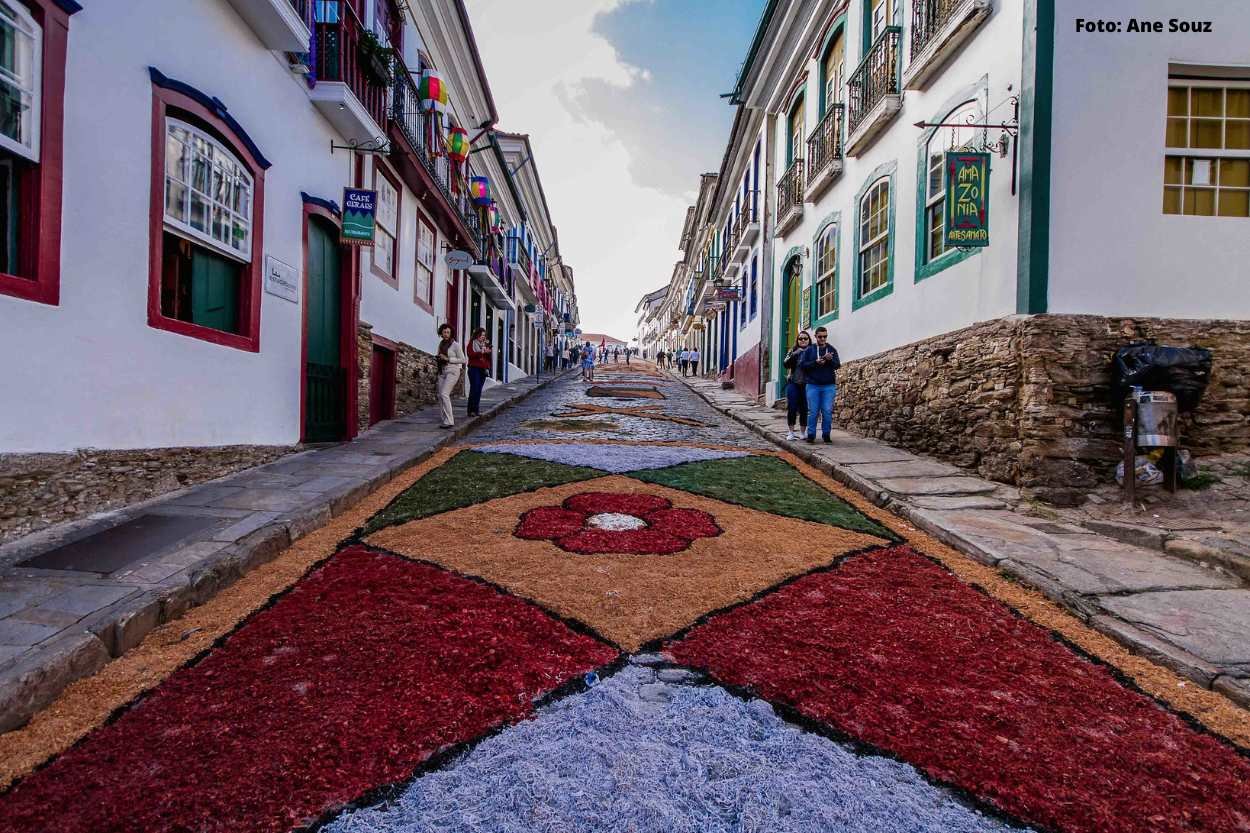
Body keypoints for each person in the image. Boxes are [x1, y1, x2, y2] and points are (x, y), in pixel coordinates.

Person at [800, 326, 841, 443]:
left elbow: (837, 365)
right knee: (813, 411)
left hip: (828, 385)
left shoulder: (831, 349)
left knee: (827, 411)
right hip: (813, 385)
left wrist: (829, 360)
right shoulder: (809, 350)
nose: (823, 339)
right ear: (816, 337)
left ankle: (826, 434)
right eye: (820, 337)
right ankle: (811, 435)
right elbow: (803, 366)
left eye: (825, 336)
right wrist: (815, 362)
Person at [436, 324, 467, 428]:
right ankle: (444, 419)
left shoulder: (455, 345)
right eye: (444, 332)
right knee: (440, 396)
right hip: (442, 371)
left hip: (453, 370)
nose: (446, 334)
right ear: (441, 333)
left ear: (451, 333)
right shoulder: (440, 344)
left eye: (448, 332)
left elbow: (463, 360)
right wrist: (439, 358)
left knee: (444, 393)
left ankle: (450, 421)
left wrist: (448, 359)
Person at [782, 331, 812, 441]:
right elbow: (785, 363)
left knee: (804, 408)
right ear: (797, 341)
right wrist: (795, 354)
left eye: (805, 338)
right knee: (792, 407)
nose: (803, 340)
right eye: (801, 339)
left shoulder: (812, 351)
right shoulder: (793, 351)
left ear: (809, 340)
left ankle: (803, 432)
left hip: (807, 384)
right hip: (793, 383)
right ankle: (791, 432)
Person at [465, 327, 491, 418]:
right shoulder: (472, 344)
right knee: (474, 389)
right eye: (481, 335)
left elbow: (488, 359)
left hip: (482, 370)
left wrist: (487, 353)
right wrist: (481, 352)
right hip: (474, 369)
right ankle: (470, 410)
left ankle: (476, 410)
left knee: (479, 390)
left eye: (484, 335)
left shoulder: (484, 345)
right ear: (477, 335)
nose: (483, 337)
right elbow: (470, 354)